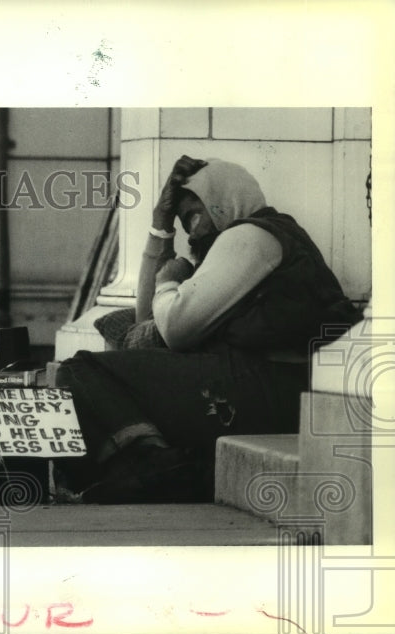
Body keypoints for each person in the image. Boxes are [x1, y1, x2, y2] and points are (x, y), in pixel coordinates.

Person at [56, 156, 363, 503]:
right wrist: (161, 226)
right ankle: (152, 464)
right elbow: (148, 326)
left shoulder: (251, 236)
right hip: (267, 387)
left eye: (196, 213)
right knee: (93, 400)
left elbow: (174, 329)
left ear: (226, 198)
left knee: (80, 372)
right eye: (185, 220)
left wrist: (168, 283)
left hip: (269, 385)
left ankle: (156, 463)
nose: (193, 229)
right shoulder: (247, 241)